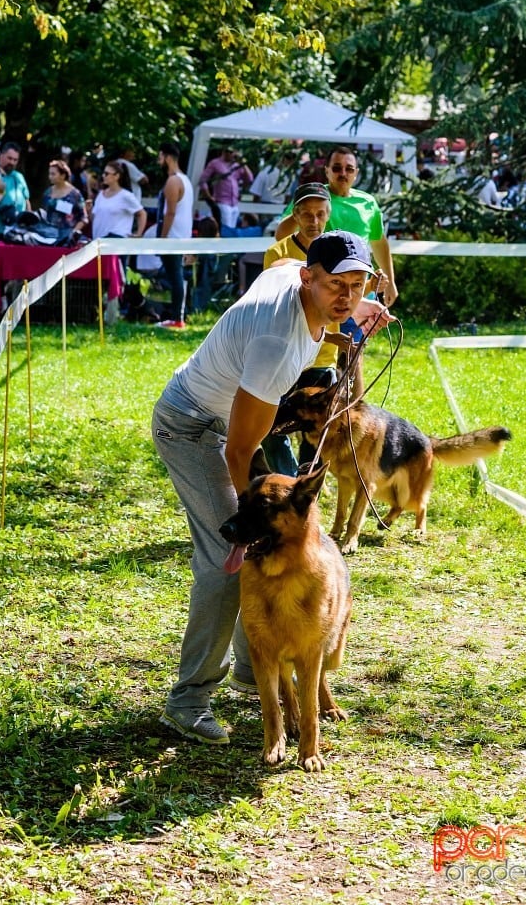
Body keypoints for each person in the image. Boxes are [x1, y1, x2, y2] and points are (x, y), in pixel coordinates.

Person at [152, 230, 394, 745]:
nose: (346, 297)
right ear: (308, 278)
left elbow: (325, 304)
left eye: (357, 285)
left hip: (222, 418)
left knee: (250, 554)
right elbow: (241, 453)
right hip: (190, 425)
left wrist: (350, 317)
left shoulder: (294, 276)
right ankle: (189, 700)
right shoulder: (275, 348)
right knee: (229, 558)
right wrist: (253, 526)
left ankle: (252, 666)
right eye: (336, 286)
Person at [261, 181, 339, 475]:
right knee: (271, 425)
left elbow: (350, 297)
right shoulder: (276, 253)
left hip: (323, 358)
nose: (314, 221)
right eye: (307, 214)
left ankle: (304, 489)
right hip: (286, 354)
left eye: (320, 214)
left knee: (318, 430)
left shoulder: (340, 250)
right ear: (295, 215)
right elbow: (282, 305)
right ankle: (290, 481)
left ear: (328, 214)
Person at [275, 146, 398, 307]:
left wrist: (391, 282)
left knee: (359, 333)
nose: (343, 173)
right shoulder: (314, 197)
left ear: (356, 173)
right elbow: (282, 236)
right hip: (324, 290)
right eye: (337, 168)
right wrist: (303, 211)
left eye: (349, 169)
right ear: (327, 171)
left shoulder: (368, 202)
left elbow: (379, 242)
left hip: (360, 290)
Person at [156, 142, 194, 330]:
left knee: (175, 277)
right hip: (181, 237)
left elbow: (169, 213)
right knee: (176, 276)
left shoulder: (173, 181)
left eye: (160, 157)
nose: (158, 161)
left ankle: (177, 318)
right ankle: (178, 316)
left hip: (173, 238)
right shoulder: (185, 180)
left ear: (167, 157)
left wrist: (161, 239)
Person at [198, 146, 253, 229]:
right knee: (226, 229)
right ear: (224, 152)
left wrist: (243, 163)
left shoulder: (237, 166)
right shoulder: (215, 163)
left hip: (234, 203)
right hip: (222, 202)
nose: (232, 154)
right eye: (229, 152)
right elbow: (203, 180)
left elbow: (249, 179)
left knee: (232, 230)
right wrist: (208, 197)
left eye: (233, 152)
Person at [89, 160, 146, 239]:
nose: (103, 176)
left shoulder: (126, 195)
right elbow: (95, 219)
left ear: (117, 176)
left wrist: (138, 234)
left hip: (116, 241)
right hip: (99, 242)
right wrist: (89, 209)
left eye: (106, 174)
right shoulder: (101, 195)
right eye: (103, 173)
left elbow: (142, 213)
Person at [41, 160, 88, 239]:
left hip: (67, 238)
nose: (50, 177)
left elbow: (84, 218)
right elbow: (43, 214)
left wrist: (73, 233)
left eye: (53, 174)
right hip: (48, 236)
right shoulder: (47, 193)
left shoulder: (75, 194)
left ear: (62, 175)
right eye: (49, 174)